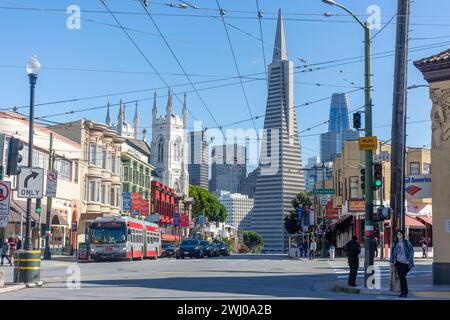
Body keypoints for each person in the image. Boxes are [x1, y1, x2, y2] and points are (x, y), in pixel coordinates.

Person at [390, 230, 414, 298]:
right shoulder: (395, 243)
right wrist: (392, 261)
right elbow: (392, 253)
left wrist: (409, 260)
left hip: (405, 263)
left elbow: (411, 251)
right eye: (398, 234)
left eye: (400, 234)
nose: (399, 235)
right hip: (398, 262)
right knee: (401, 277)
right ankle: (403, 292)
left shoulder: (406, 242)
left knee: (402, 276)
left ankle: (404, 292)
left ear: (403, 235)